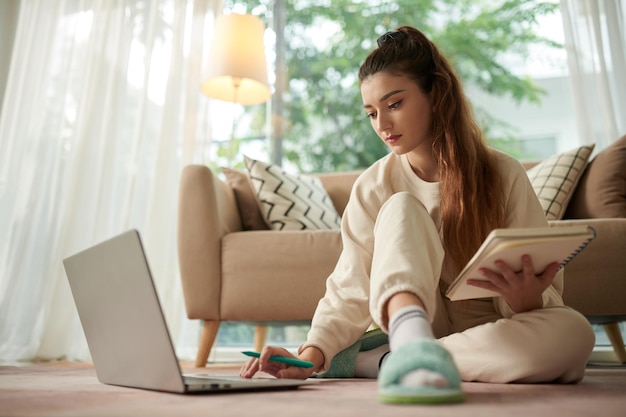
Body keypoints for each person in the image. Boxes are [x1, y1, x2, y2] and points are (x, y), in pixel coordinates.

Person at [240, 25, 595, 404]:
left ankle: (387, 360)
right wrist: (311, 355)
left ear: (436, 94)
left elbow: (546, 295)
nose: (382, 125)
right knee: (401, 208)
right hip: (413, 322)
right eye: (372, 113)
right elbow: (350, 287)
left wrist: (526, 301)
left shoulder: (504, 174)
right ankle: (412, 343)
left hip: (494, 332)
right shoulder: (374, 185)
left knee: (575, 333)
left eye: (394, 105)